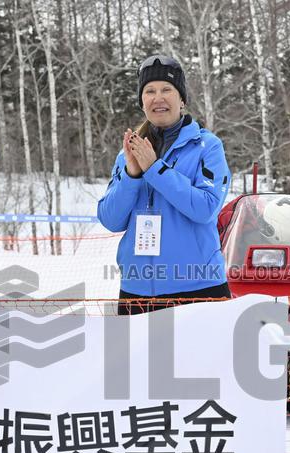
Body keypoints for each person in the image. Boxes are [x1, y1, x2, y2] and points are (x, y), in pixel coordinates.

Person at [97, 55, 231, 316]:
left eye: (167, 90)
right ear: (142, 102)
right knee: (138, 359)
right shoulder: (129, 154)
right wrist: (132, 174)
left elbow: (206, 209)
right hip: (137, 291)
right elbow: (111, 220)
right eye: (150, 91)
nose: (158, 98)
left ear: (181, 100)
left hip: (199, 287)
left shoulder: (207, 146)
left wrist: (155, 169)